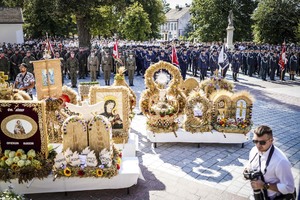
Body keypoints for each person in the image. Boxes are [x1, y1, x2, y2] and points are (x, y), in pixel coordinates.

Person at [245, 125, 295, 200]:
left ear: (271, 140)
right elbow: (249, 165)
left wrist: (264, 186)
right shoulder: (253, 150)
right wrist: (246, 170)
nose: (258, 145)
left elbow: (289, 188)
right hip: (254, 195)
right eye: (255, 141)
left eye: (262, 142)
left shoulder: (281, 161)